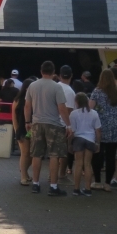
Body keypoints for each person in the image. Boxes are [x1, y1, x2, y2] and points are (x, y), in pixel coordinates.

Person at [24, 61, 72, 197]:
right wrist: (68, 125)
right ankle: (53, 186)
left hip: (37, 123)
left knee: (37, 154)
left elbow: (27, 106)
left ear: (41, 71)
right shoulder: (57, 87)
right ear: (53, 72)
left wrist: (28, 121)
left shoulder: (32, 86)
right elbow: (62, 108)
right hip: (54, 125)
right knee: (54, 155)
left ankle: (35, 184)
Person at [89, 69, 117, 191]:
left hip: (100, 126)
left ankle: (97, 182)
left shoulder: (97, 91)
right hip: (116, 126)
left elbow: (91, 108)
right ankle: (108, 184)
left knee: (98, 154)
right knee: (112, 156)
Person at [69, 92, 101, 196]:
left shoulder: (73, 114)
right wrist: (98, 143)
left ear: (77, 102)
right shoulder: (94, 113)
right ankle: (88, 189)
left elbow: (72, 131)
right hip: (90, 139)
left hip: (78, 139)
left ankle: (76, 189)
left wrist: (69, 144)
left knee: (78, 164)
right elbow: (98, 130)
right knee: (87, 164)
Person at [16, 76, 36, 184]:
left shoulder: (34, 99)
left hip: (32, 128)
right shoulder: (18, 100)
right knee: (25, 153)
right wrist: (16, 130)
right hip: (22, 129)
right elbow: (14, 118)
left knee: (32, 153)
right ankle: (23, 176)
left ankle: (25, 173)